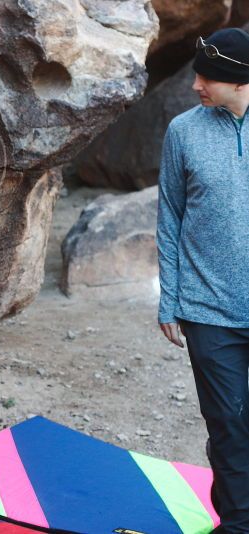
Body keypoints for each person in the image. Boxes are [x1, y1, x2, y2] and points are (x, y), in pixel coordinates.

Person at [156, 27, 249, 534]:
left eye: (207, 76)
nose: (196, 85)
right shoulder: (183, 131)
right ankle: (238, 525)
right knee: (228, 427)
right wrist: (170, 300)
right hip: (208, 309)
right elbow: (169, 216)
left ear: (240, 80)